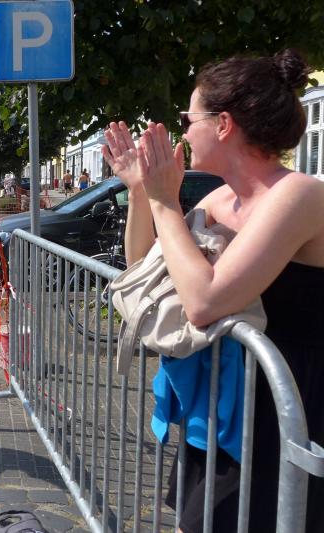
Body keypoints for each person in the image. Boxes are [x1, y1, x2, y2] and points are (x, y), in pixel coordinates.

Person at [101, 49, 323, 533]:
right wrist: (140, 192)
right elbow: (147, 268)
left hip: (284, 406)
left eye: (188, 118)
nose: (182, 131)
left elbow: (204, 302)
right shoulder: (222, 197)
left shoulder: (299, 194)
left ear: (223, 124)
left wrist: (164, 200)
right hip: (226, 399)